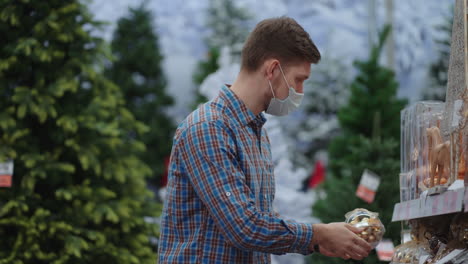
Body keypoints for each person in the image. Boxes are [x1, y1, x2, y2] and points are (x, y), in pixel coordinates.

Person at [158, 16, 372, 263]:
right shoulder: (209, 128)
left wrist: (314, 241)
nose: (300, 92)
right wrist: (319, 234)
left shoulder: (255, 132)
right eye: (299, 80)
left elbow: (261, 225)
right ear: (272, 70)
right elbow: (244, 227)